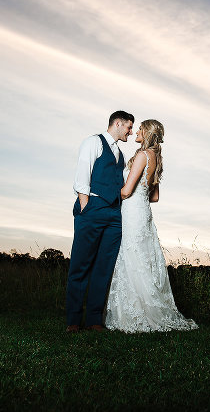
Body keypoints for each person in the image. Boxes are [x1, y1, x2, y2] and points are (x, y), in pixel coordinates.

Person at [104, 119, 198, 333]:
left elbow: (126, 191)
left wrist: (104, 195)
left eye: (140, 129)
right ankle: (148, 310)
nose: (136, 131)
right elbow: (154, 197)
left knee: (132, 258)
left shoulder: (142, 155)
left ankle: (137, 315)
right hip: (143, 212)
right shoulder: (157, 159)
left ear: (147, 133)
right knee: (142, 259)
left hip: (132, 212)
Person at [66, 110, 134, 333]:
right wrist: (86, 206)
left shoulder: (120, 154)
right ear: (117, 123)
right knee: (80, 265)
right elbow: (82, 176)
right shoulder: (93, 142)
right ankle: (74, 321)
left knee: (104, 267)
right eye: (128, 127)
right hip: (93, 209)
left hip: (114, 215)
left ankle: (94, 319)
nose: (130, 132)